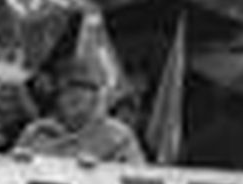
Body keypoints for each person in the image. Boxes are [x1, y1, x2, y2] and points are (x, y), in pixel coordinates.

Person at [13, 56, 147, 164]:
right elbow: (10, 180)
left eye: (82, 87)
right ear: (56, 98)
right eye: (65, 89)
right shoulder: (35, 133)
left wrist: (102, 173)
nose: (74, 94)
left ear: (96, 96)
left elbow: (137, 181)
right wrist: (20, 166)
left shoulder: (118, 136)